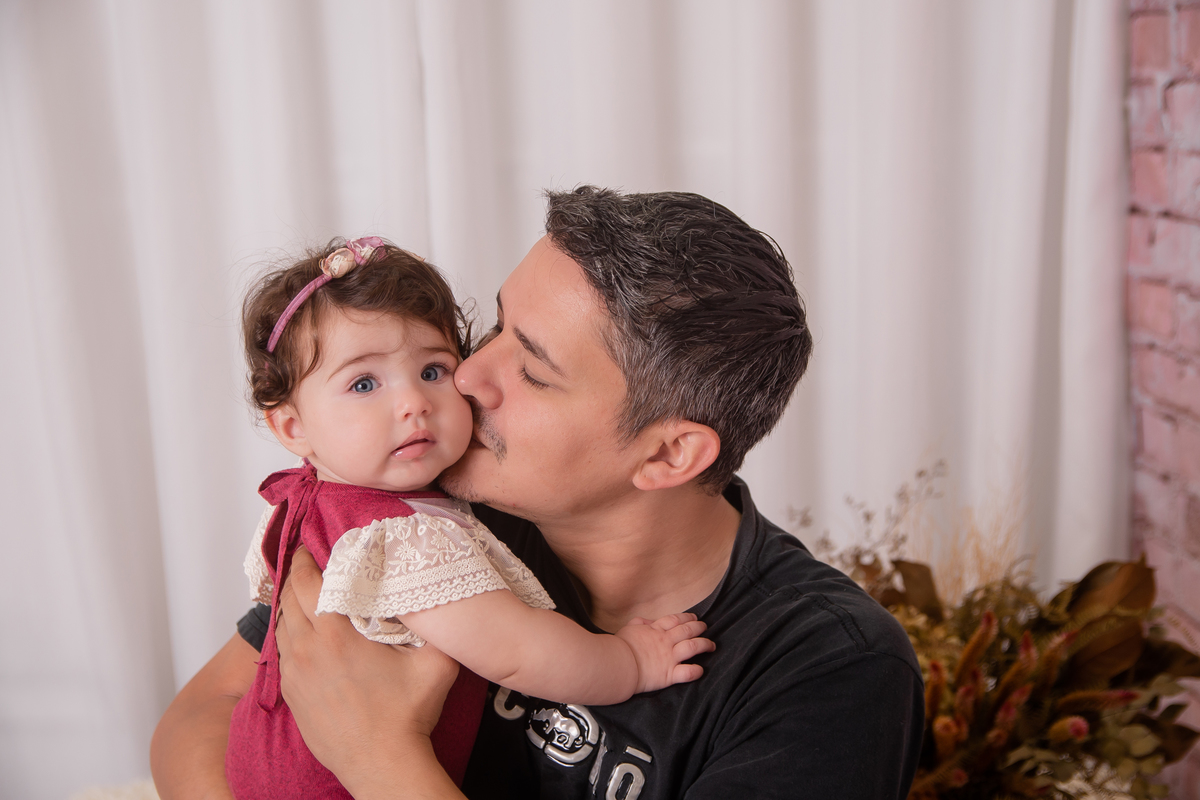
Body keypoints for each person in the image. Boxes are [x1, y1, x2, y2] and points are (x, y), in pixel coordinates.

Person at [152, 187, 925, 800]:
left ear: (668, 453)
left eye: (531, 370)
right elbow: (195, 721)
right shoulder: (431, 510)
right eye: (494, 327)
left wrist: (378, 758)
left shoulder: (831, 673)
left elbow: (359, 746)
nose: (465, 375)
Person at [222, 236, 713, 799]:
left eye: (433, 370)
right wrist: (629, 661)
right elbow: (518, 652)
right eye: (364, 384)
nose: (414, 402)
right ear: (292, 427)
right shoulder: (400, 538)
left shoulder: (314, 505)